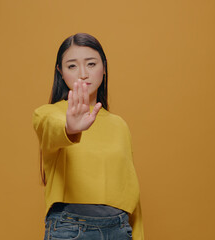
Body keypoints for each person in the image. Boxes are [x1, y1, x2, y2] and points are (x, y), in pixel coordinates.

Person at [32, 33, 144, 240]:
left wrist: (136, 235)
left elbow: (131, 193)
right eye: (72, 66)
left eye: (91, 64)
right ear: (60, 72)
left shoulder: (119, 125)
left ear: (104, 67)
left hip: (119, 229)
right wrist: (70, 127)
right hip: (70, 228)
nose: (83, 74)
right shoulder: (48, 114)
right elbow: (51, 128)